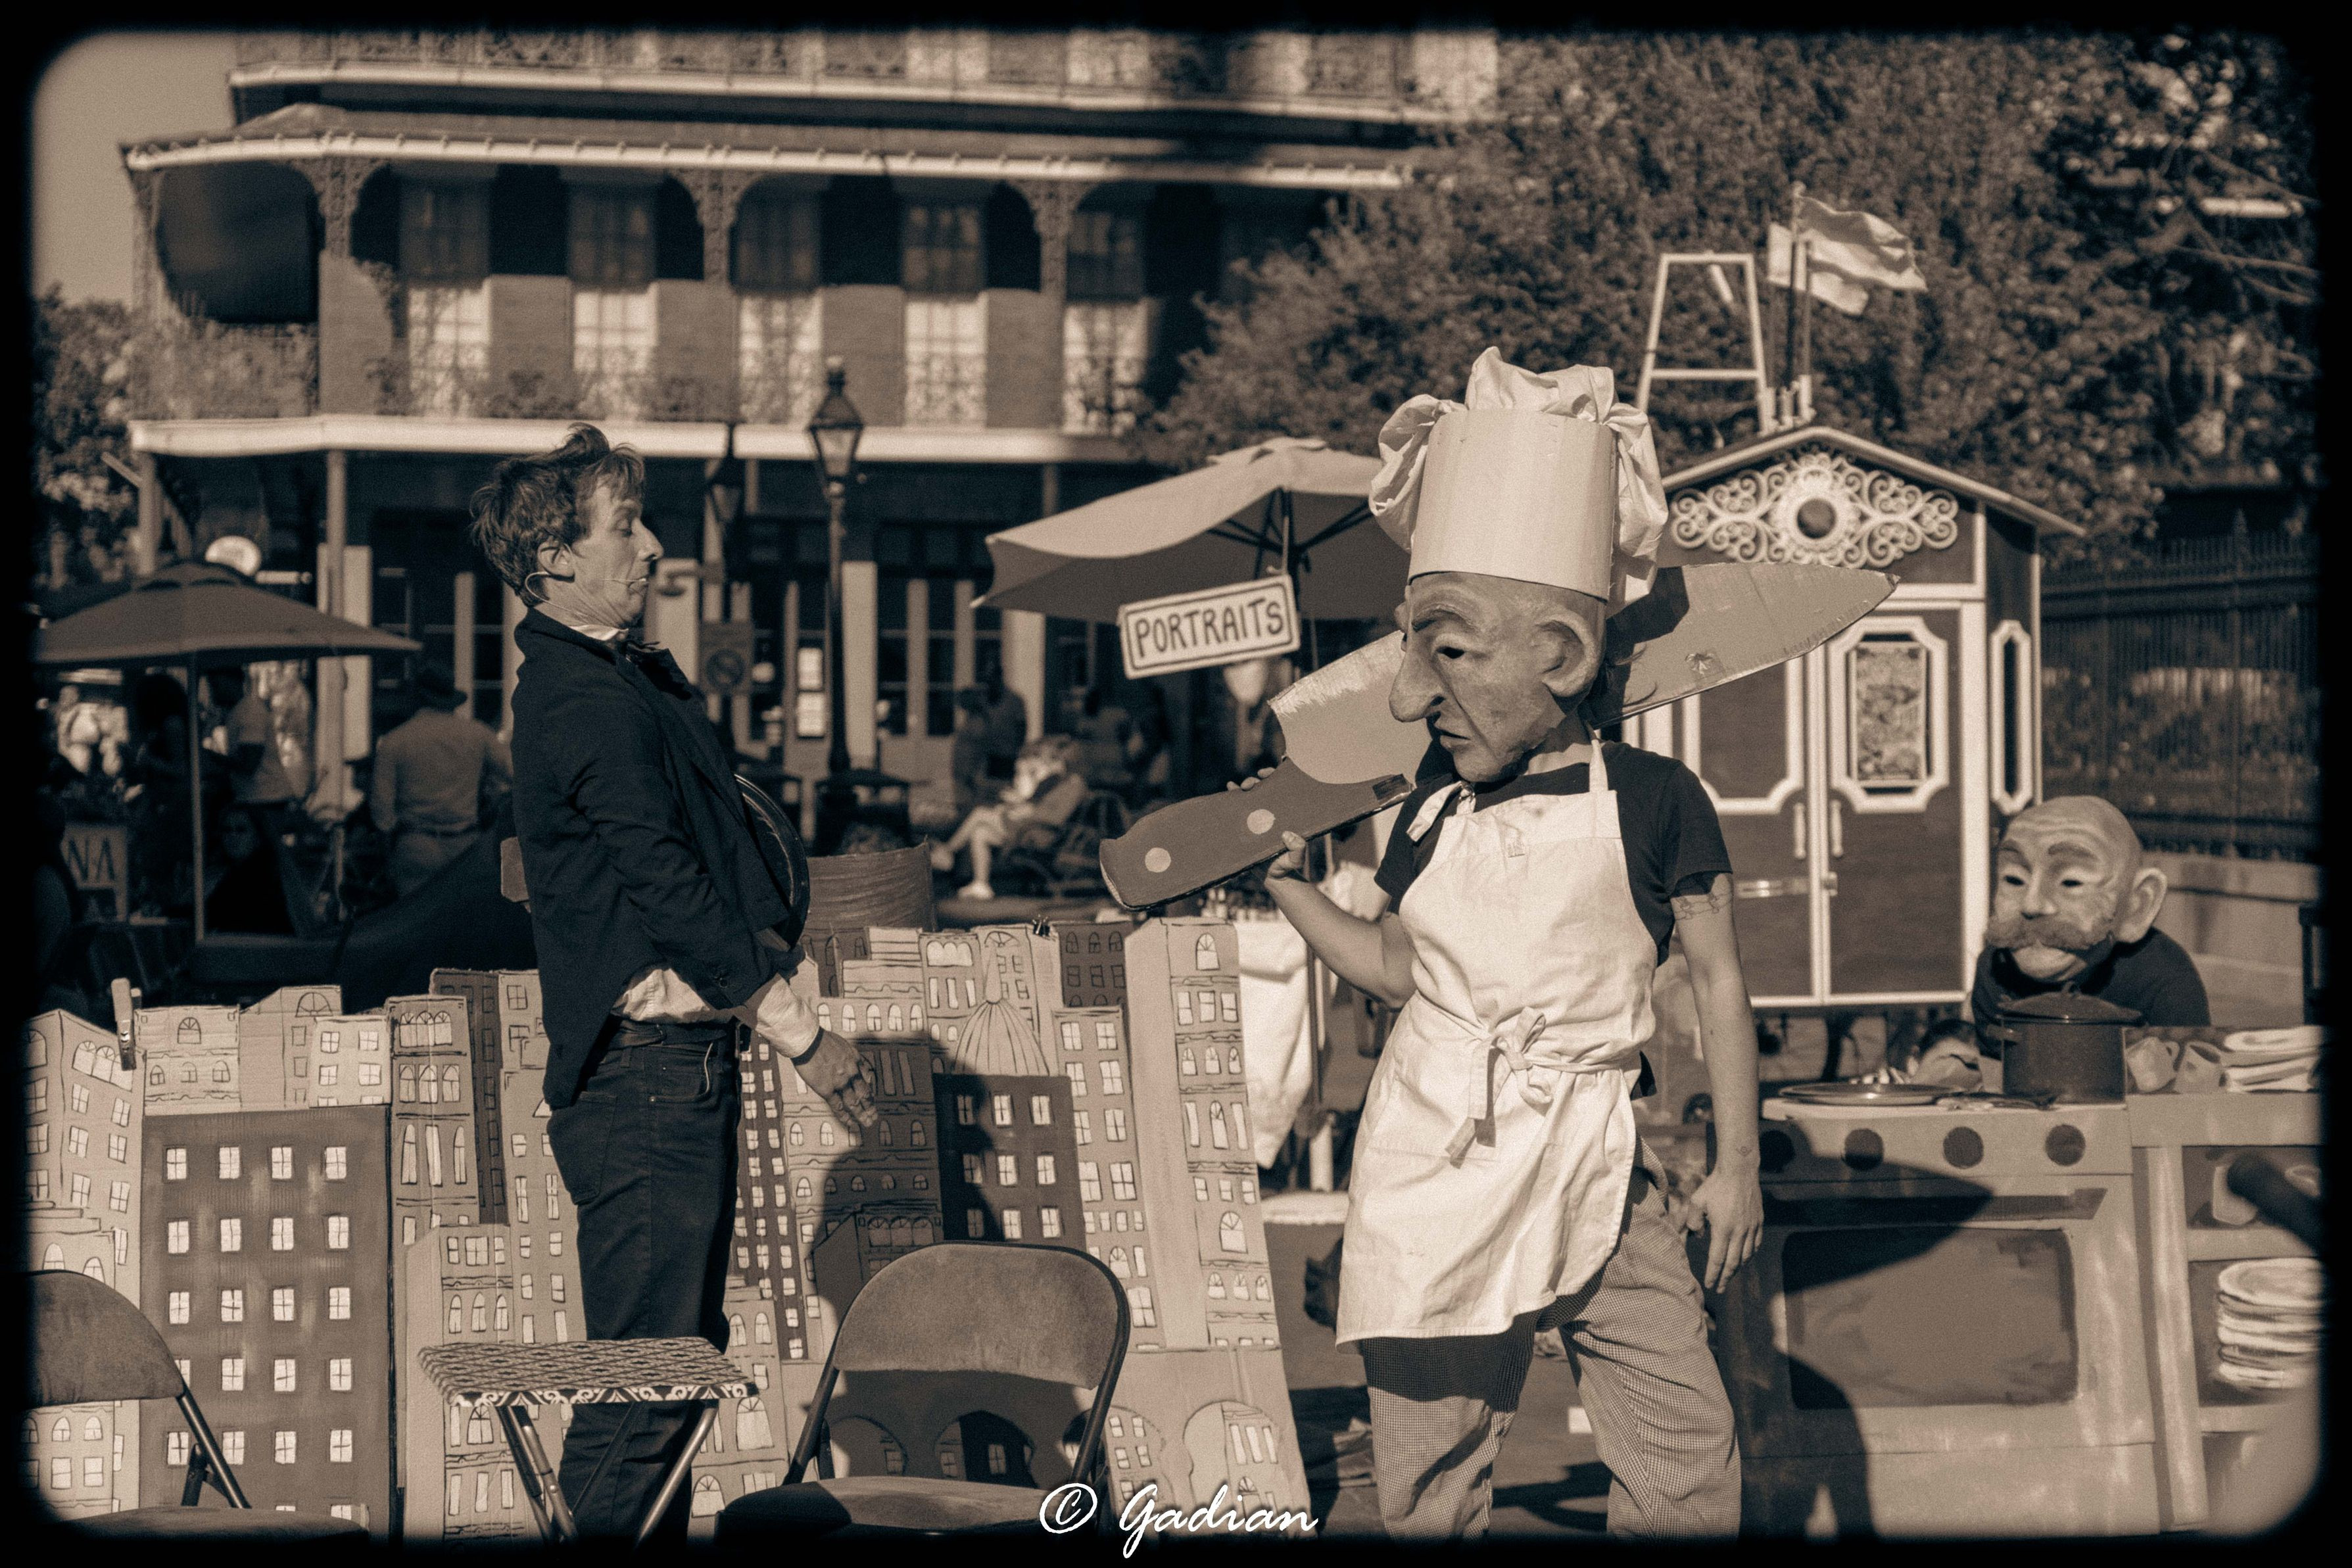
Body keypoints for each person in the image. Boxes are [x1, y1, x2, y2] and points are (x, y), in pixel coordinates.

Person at [1242, 350, 1758, 1540]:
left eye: (1450, 652)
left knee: (1683, 1447)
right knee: (1430, 1471)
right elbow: (1397, 970)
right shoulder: (1426, 805)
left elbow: (1721, 983)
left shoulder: (1657, 799)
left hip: (1601, 1162)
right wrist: (1290, 891)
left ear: (1562, 658)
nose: (1412, 696)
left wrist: (1736, 1165)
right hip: (1436, 1159)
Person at [470, 423, 876, 1544]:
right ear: (555, 557)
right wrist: (802, 1035)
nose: (651, 546)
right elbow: (672, 891)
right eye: (625, 526)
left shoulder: (604, 679)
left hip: (663, 1080)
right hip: (646, 1085)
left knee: (671, 1379)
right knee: (648, 1392)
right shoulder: (584, 697)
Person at [1865, 796, 2209, 1089]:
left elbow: (2187, 1093)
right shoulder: (1996, 971)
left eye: (2070, 883)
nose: (2032, 905)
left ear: (2138, 905)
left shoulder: (2162, 981)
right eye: (2015, 880)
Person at [370, 661, 514, 898]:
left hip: (416, 844)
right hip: (466, 846)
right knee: (463, 915)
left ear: (417, 697)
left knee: (416, 914)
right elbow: (516, 776)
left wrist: (388, 853)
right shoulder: (477, 734)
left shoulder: (395, 741)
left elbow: (381, 809)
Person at [928, 734, 1087, 901]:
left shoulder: (1073, 785)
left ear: (1065, 761)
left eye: (1052, 759)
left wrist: (1025, 812)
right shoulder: (1057, 782)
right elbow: (1037, 805)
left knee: (981, 814)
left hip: (1039, 834)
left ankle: (947, 852)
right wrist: (1020, 808)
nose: (1047, 764)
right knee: (981, 832)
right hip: (1030, 828)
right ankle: (981, 885)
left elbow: (1053, 818)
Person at [206, 665, 299, 826]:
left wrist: (212, 758)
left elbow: (249, 763)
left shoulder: (250, 712)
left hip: (265, 797)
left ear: (232, 682)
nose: (213, 692)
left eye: (216, 685)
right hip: (254, 797)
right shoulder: (237, 712)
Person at [204, 803, 295, 936]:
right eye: (227, 830)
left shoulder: (261, 876)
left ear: (257, 837)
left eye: (241, 830)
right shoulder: (229, 874)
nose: (233, 836)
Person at [978, 671, 1028, 786]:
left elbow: (1021, 726)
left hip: (1007, 754)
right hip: (987, 754)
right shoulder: (983, 700)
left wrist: (1018, 748)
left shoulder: (1014, 700)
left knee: (1004, 786)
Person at [948, 686, 992, 815]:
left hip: (970, 769)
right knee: (961, 801)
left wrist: (972, 771)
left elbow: (979, 747)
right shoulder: (969, 718)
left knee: (969, 803)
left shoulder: (979, 721)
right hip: (962, 768)